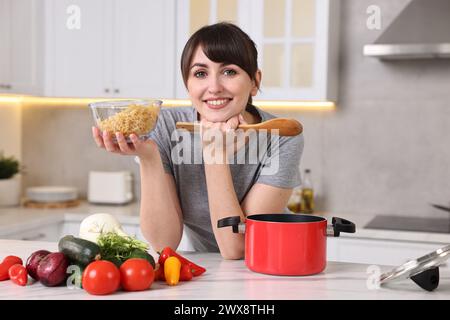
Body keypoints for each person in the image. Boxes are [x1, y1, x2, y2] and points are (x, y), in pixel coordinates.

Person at [92, 22, 304, 259]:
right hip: (209, 270)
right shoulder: (164, 125)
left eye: (229, 71)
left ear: (255, 82)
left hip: (274, 264)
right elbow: (164, 242)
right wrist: (149, 157)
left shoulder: (281, 137)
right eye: (200, 73)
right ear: (187, 84)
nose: (213, 87)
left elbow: (238, 247)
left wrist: (215, 157)